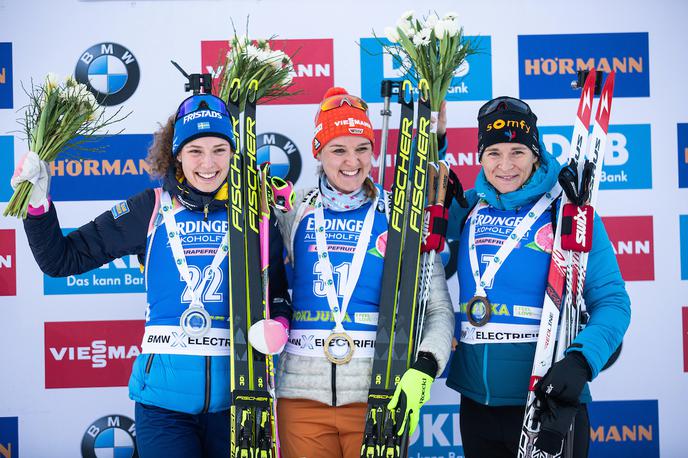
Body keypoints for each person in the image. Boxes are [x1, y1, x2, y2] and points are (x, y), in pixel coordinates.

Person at [13, 92, 291, 457]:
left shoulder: (255, 214)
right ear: (177, 154)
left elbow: (280, 294)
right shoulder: (151, 207)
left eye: (219, 149)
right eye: (195, 151)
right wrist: (37, 205)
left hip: (238, 402)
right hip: (163, 409)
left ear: (232, 153)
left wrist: (280, 326)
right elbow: (61, 261)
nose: (208, 163)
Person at [260, 87, 454, 458]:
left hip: (377, 394)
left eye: (362, 148)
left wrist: (425, 367)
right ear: (318, 152)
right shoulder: (293, 210)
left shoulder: (401, 214)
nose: (352, 161)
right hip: (300, 396)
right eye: (339, 149)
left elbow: (438, 309)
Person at [444, 96, 631, 457]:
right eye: (494, 153)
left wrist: (581, 360)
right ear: (480, 157)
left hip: (548, 400)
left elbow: (612, 300)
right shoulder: (468, 208)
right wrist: (435, 140)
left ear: (536, 152)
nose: (505, 165)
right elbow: (419, 216)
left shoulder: (569, 212)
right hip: (476, 403)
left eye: (517, 151)